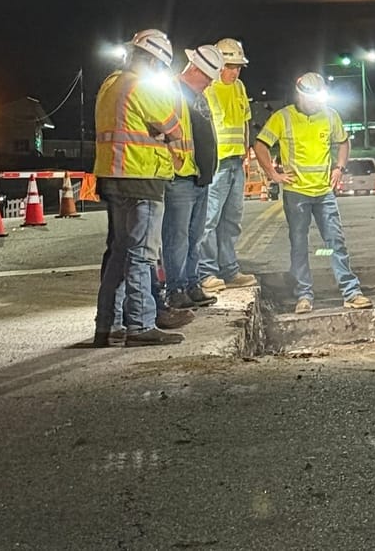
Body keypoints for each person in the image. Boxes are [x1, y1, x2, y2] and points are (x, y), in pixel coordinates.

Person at [92, 29, 188, 347]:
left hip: (112, 176)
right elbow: (173, 125)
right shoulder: (143, 86)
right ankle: (140, 325)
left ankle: (108, 325)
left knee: (119, 252)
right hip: (141, 177)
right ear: (153, 60)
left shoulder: (110, 84)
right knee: (142, 255)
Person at [253, 72, 372, 314]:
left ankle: (351, 292)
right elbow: (260, 144)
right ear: (300, 94)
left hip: (324, 192)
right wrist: (273, 175)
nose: (317, 103)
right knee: (299, 244)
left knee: (335, 241)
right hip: (296, 193)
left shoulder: (329, 115)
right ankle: (304, 295)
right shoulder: (283, 117)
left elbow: (343, 141)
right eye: (312, 98)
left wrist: (339, 168)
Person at [163, 44, 225, 310]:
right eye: (208, 77)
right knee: (177, 237)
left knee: (194, 236)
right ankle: (176, 289)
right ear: (195, 68)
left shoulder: (199, 95)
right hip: (180, 176)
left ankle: (190, 284)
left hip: (200, 177)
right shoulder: (171, 92)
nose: (210, 84)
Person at [196, 37, 257, 294]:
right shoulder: (208, 89)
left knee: (231, 219)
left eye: (238, 67)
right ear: (219, 64)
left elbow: (245, 121)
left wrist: (245, 150)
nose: (235, 71)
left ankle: (229, 270)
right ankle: (206, 272)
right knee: (208, 220)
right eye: (230, 66)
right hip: (216, 164)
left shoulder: (239, 87)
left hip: (234, 162)